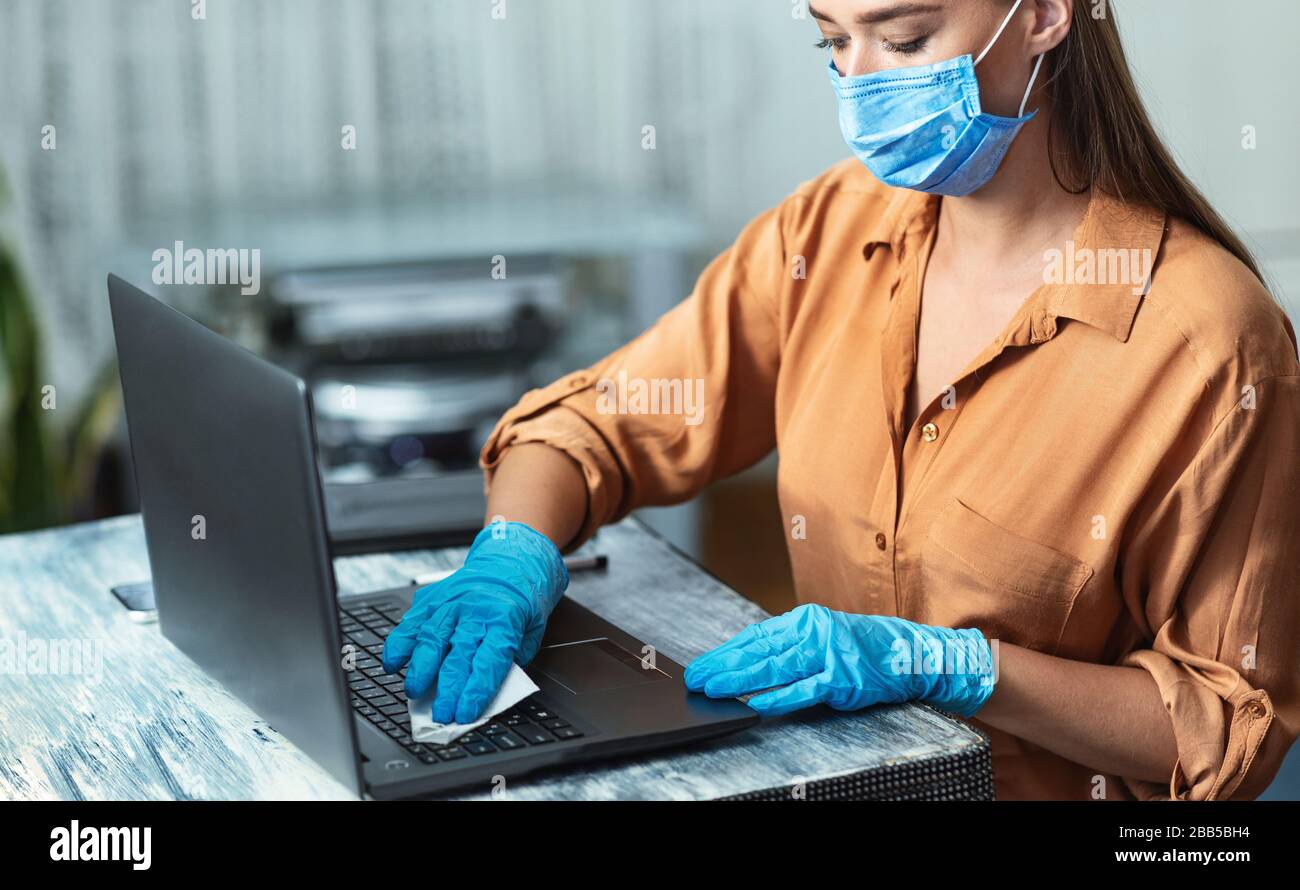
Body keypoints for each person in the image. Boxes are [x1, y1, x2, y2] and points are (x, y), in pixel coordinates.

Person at [382, 0, 1300, 800]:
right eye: (833, 44)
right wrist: (510, 555)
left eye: (902, 39)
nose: (861, 85)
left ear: (1047, 14)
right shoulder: (827, 231)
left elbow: (1219, 731)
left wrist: (954, 668)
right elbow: (592, 424)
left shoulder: (1209, 342)